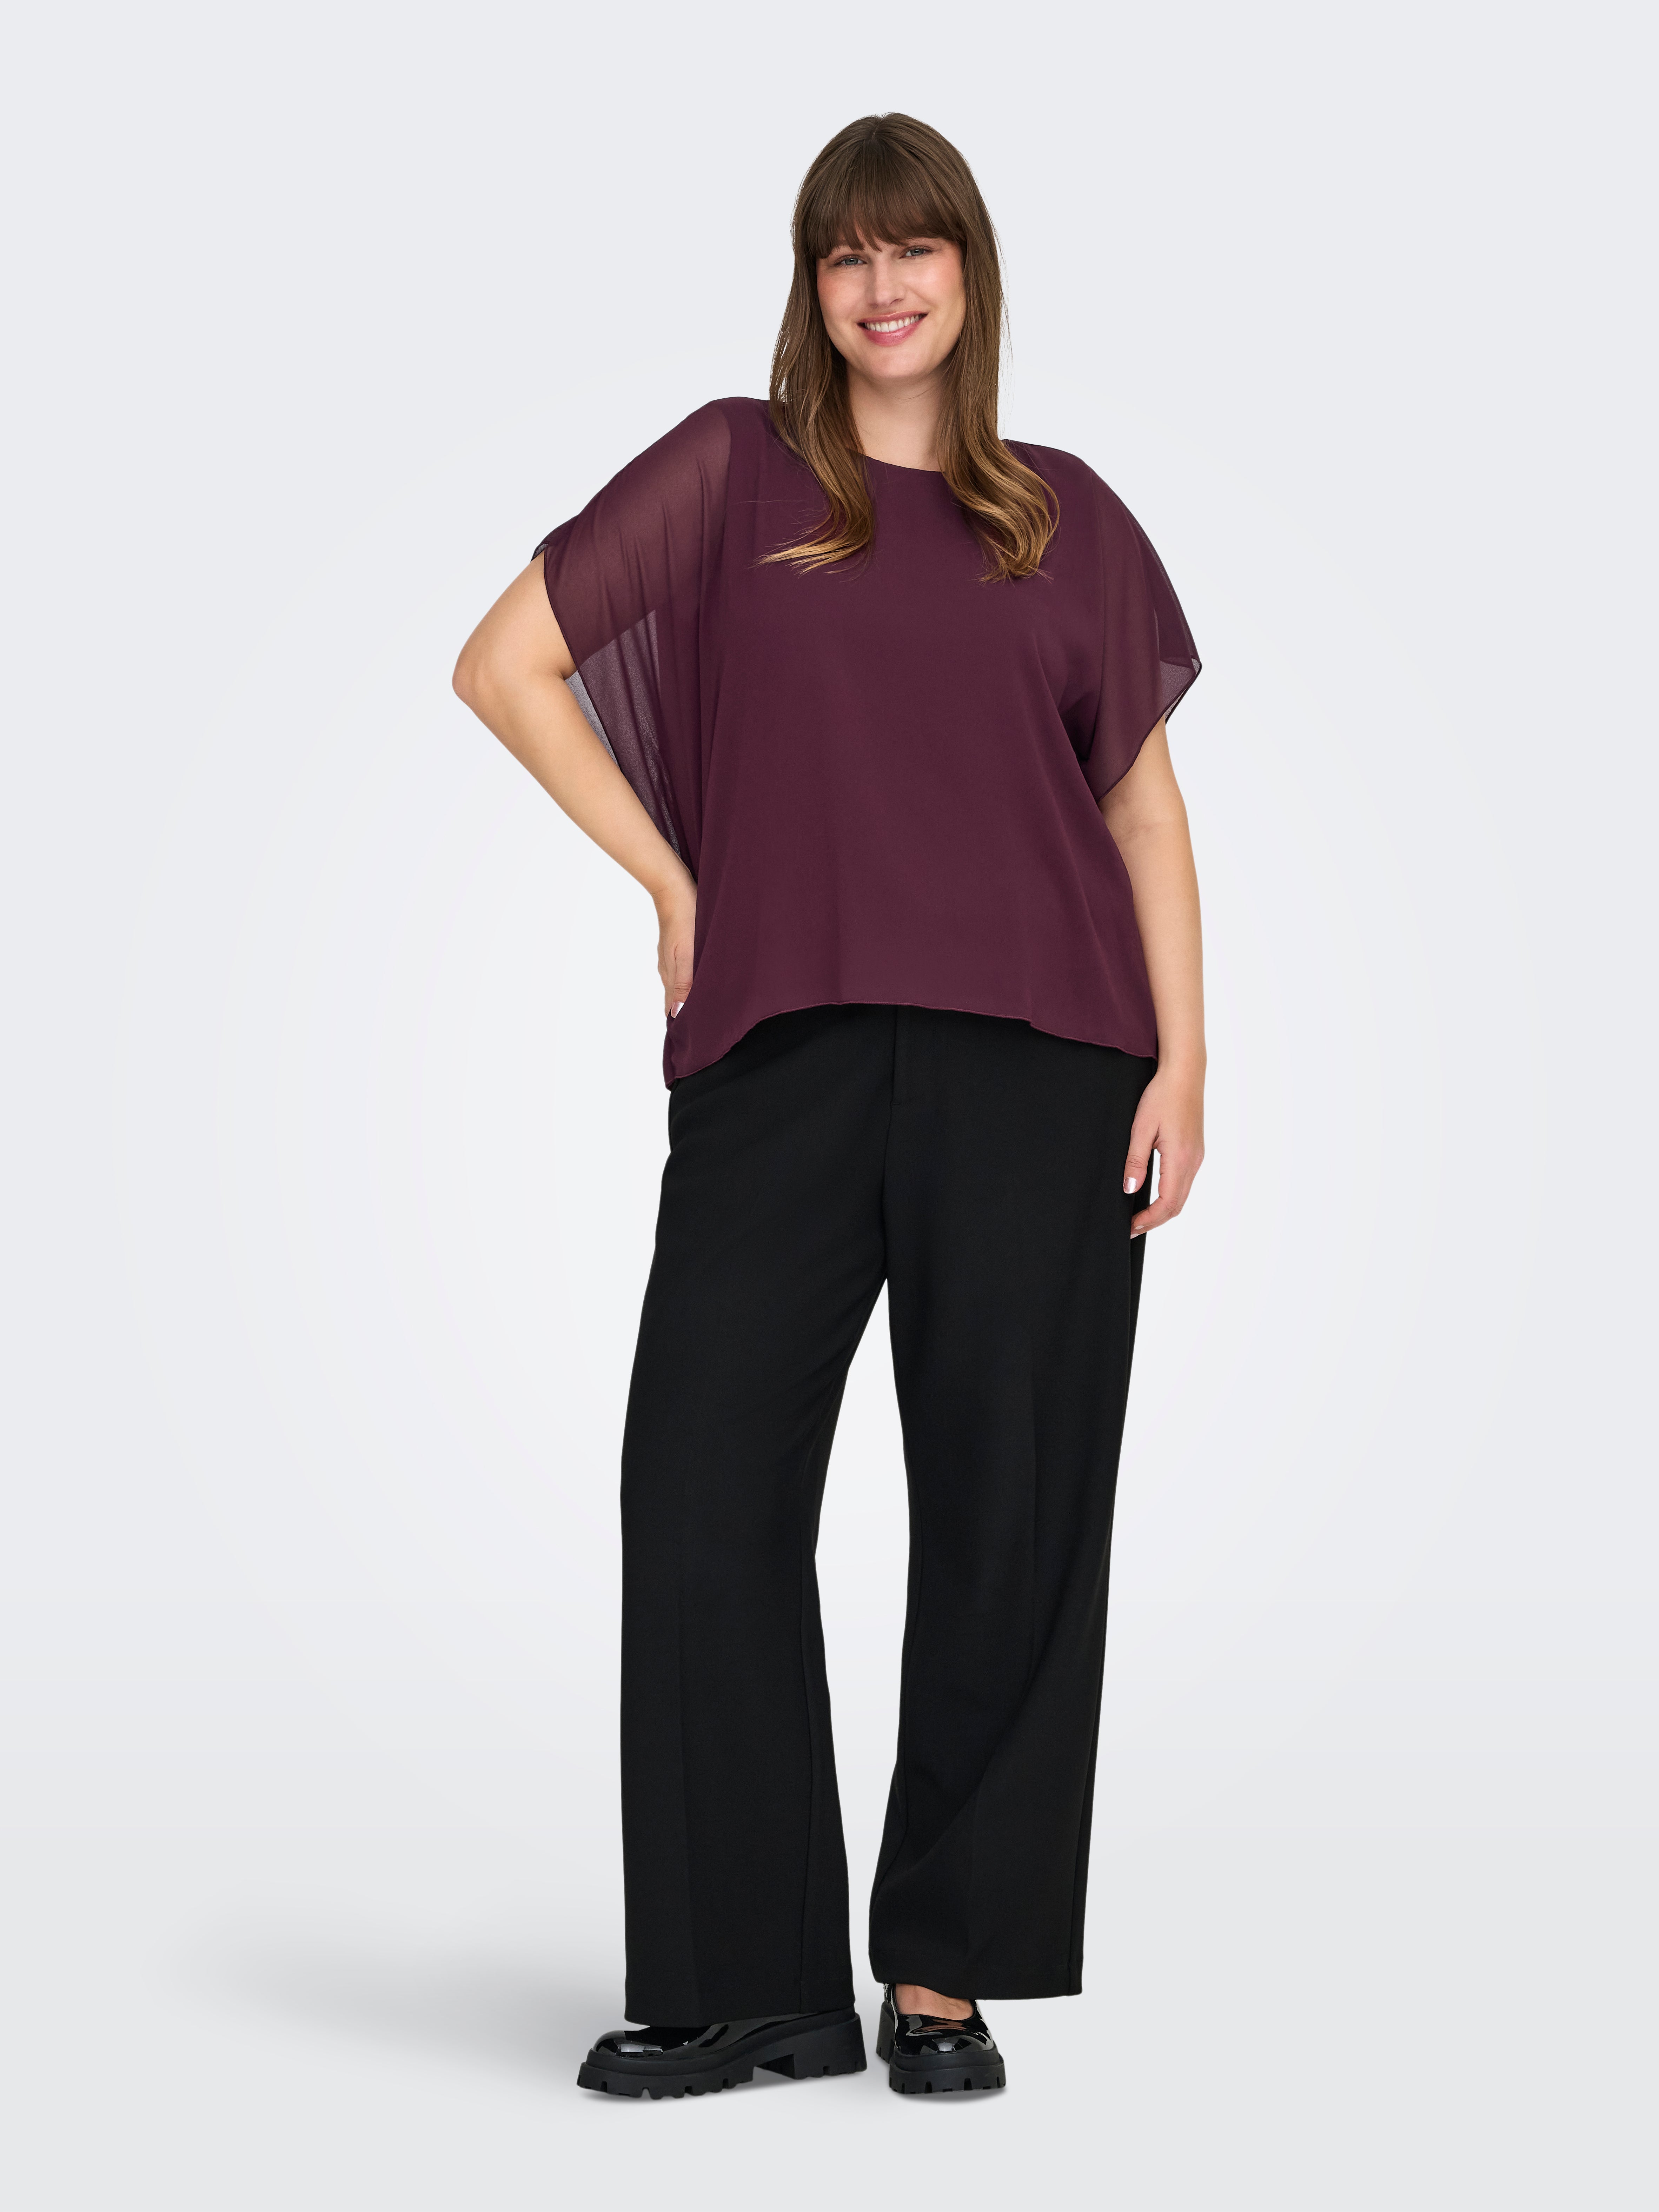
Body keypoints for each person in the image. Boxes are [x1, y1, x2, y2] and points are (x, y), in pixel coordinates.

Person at [452, 111, 1205, 2101]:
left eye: (916, 250)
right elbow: (505, 665)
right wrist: (674, 884)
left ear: (969, 275)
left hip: (1045, 1059)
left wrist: (1186, 1065)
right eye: (846, 254)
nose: (883, 287)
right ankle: (750, 1982)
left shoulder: (1065, 516)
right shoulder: (731, 472)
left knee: (1010, 1507)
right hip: (781, 1051)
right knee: (701, 1480)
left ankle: (941, 1972)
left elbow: (1140, 809)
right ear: (810, 284)